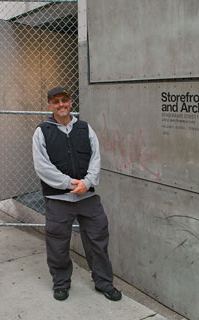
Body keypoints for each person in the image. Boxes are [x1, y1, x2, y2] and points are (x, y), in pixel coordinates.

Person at [32, 86, 122, 302]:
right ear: (50, 105)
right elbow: (42, 166)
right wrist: (68, 184)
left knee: (97, 240)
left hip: (88, 198)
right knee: (58, 244)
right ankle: (61, 284)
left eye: (64, 100)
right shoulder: (42, 131)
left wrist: (87, 182)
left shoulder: (85, 128)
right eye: (56, 102)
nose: (61, 104)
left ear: (71, 103)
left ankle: (104, 283)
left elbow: (96, 158)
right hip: (58, 200)